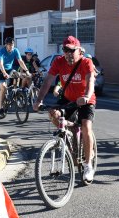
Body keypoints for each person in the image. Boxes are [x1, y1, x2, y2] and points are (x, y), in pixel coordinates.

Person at [33, 35, 97, 182]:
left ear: (79, 50)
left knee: (86, 127)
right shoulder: (59, 62)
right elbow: (47, 81)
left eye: (71, 50)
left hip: (85, 100)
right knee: (53, 114)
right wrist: (38, 100)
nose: (68, 53)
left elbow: (90, 83)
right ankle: (69, 134)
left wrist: (86, 96)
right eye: (65, 50)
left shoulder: (86, 62)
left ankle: (88, 165)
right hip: (68, 99)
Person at [0, 37, 30, 117]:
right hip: (0, 70)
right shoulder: (2, 51)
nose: (11, 46)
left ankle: (16, 92)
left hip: (10, 69)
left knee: (18, 75)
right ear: (6, 45)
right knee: (3, 87)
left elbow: (20, 61)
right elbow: (0, 63)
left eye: (12, 45)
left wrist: (27, 71)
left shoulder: (15, 50)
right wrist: (4, 73)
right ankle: (0, 107)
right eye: (9, 45)